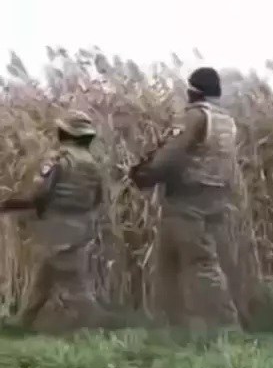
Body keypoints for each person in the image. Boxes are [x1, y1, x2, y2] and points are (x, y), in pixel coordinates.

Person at [129, 67, 242, 334]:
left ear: (192, 90)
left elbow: (173, 153)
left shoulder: (196, 115)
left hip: (187, 200)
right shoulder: (226, 120)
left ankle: (227, 327)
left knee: (201, 264)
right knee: (168, 263)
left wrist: (146, 174)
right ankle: (173, 325)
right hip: (215, 197)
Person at [0, 110, 104, 331]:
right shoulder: (92, 163)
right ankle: (24, 321)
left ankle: (95, 325)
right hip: (82, 224)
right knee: (44, 274)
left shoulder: (59, 159)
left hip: (58, 227)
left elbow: (40, 193)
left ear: (65, 132)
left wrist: (9, 205)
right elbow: (98, 198)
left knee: (73, 281)